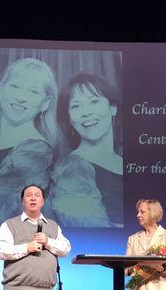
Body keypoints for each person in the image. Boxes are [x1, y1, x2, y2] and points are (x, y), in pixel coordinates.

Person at [0, 57, 61, 226]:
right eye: (15, 86)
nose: (21, 97)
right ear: (0, 91)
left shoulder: (36, 151)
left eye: (33, 91)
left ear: (45, 103)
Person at [49, 73, 123, 227]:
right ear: (69, 118)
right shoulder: (70, 170)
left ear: (113, 108)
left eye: (94, 101)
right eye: (76, 106)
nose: (86, 112)